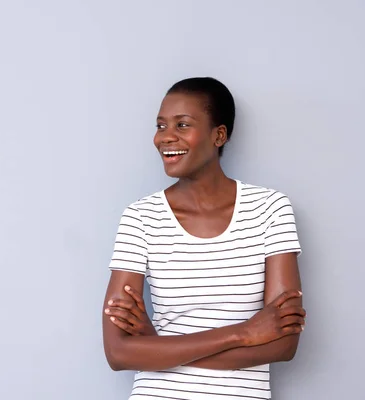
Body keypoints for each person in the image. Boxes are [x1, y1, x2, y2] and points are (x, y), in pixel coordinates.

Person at [102, 77, 305, 400]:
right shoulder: (140, 217)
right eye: (160, 125)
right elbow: (118, 353)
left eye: (182, 125)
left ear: (218, 135)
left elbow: (284, 344)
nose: (165, 137)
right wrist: (244, 333)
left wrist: (156, 346)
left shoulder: (271, 209)